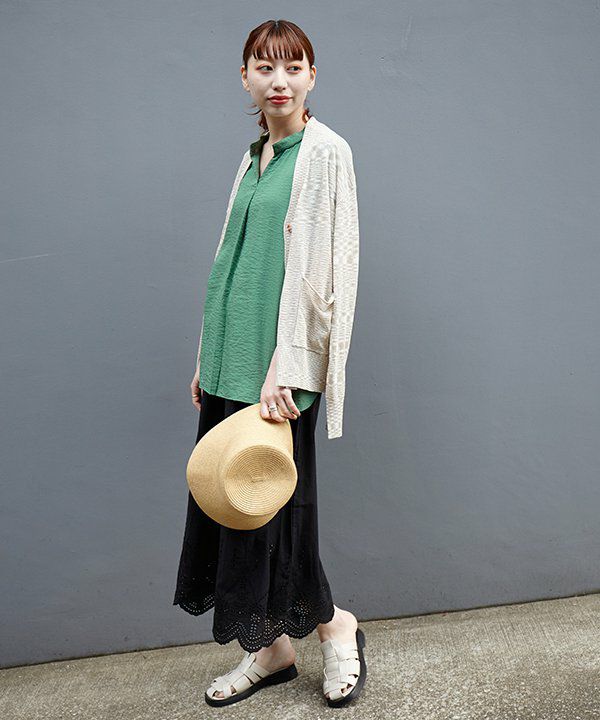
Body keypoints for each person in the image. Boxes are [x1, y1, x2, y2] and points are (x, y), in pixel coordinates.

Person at [173, 19, 364, 708]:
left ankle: (336, 627)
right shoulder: (253, 156)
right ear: (245, 78)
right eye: (264, 66)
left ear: (312, 75)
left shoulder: (325, 152)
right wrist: (207, 354)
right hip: (231, 362)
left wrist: (290, 365)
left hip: (278, 374)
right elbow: (232, 263)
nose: (278, 80)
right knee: (239, 515)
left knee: (283, 520)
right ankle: (273, 650)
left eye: (292, 66)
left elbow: (327, 272)